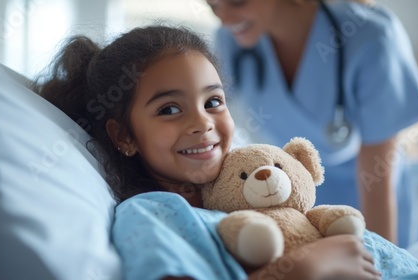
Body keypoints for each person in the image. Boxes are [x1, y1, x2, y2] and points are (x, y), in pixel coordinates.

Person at [35, 24, 384, 280]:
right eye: (169, 109)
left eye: (213, 101)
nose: (202, 122)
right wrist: (306, 267)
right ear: (124, 135)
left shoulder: (256, 190)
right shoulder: (153, 214)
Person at [207, 0, 418, 246]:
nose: (225, 19)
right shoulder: (230, 39)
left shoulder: (370, 36)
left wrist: (384, 258)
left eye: (237, 2)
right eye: (213, 6)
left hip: (370, 192)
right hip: (287, 192)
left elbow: (377, 179)